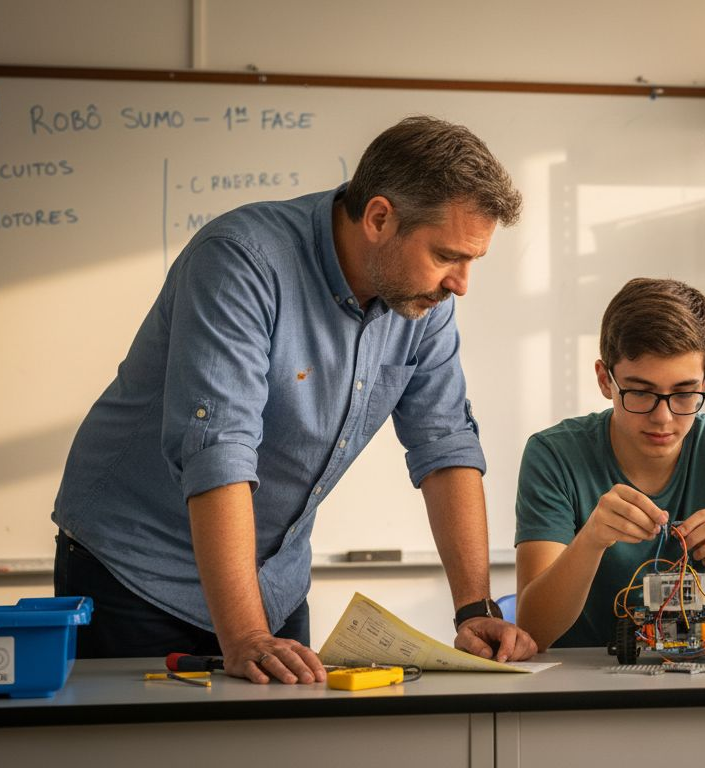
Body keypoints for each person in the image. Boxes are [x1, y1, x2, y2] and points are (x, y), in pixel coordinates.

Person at [52, 115, 538, 684]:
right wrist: (246, 636)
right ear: (380, 218)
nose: (461, 283)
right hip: (136, 573)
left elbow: (445, 444)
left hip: (271, 584)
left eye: (472, 261)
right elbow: (221, 449)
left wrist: (474, 610)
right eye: (447, 255)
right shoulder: (242, 260)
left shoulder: (423, 300)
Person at [514, 278, 705, 651]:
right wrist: (592, 540)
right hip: (576, 679)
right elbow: (533, 631)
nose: (663, 417)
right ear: (604, 379)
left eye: (684, 393)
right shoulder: (553, 454)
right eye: (641, 392)